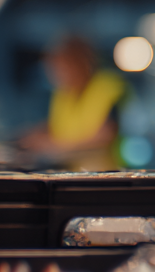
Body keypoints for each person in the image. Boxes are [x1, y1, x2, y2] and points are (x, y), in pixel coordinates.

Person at [17, 36, 127, 171]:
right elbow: (60, 129)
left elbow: (105, 136)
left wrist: (55, 147)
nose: (56, 74)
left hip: (106, 175)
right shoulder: (64, 94)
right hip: (74, 173)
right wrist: (34, 137)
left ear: (80, 62)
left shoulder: (107, 87)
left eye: (61, 66)